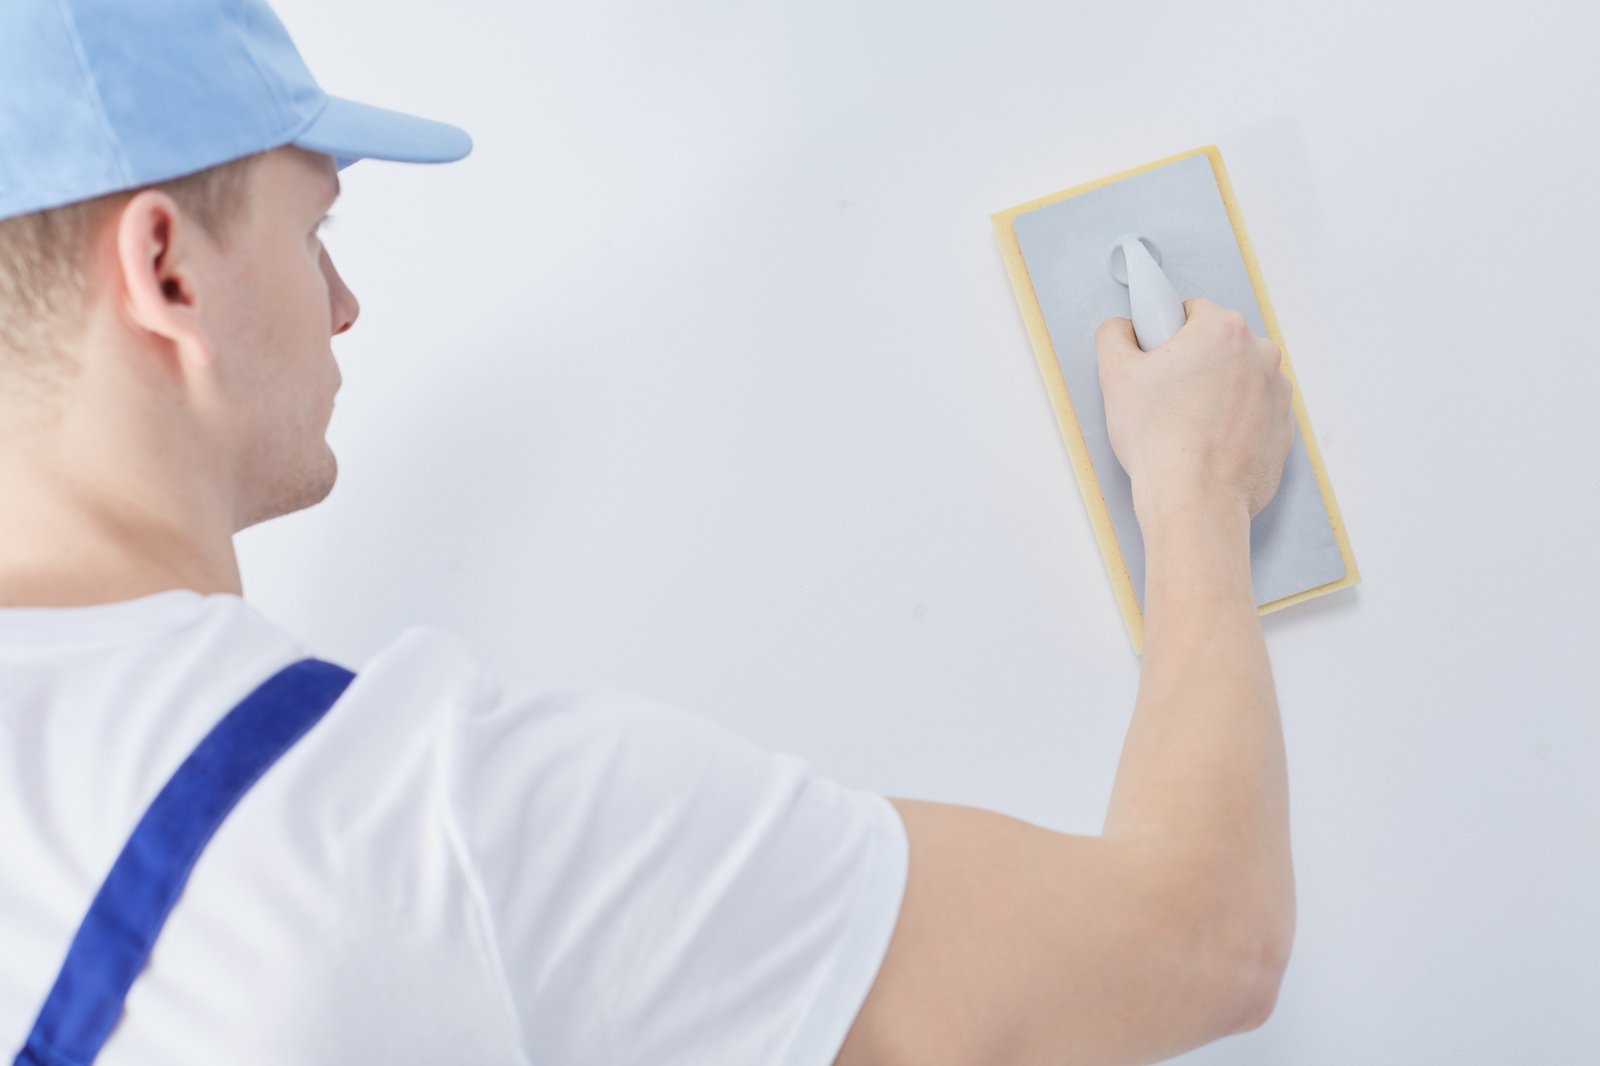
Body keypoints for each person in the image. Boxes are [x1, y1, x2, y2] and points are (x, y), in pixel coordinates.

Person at [0, 1, 1297, 1063]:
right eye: (313, 228)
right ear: (167, 270)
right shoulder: (430, 825)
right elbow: (1199, 939)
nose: (342, 302)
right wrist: (1196, 490)